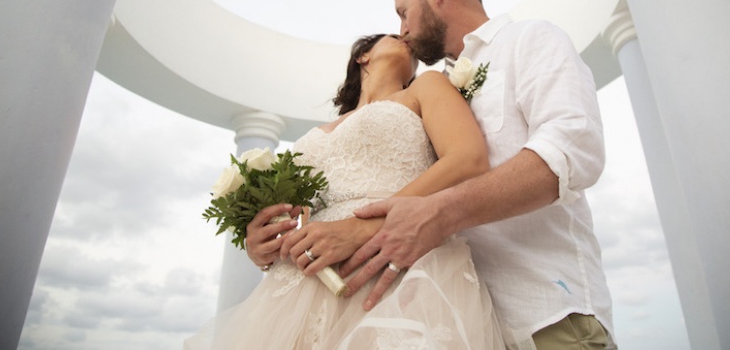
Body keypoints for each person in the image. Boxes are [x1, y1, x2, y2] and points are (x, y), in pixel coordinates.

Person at [331, 0, 617, 348]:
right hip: (450, 323)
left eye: (403, 12)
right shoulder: (432, 91)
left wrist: (440, 213)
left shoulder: (530, 39)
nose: (402, 30)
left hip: (543, 317)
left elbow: (574, 146)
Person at [186, 33, 530, 349]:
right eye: (395, 36)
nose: (407, 38)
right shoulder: (318, 131)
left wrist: (368, 224)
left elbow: (468, 159)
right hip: (302, 283)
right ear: (363, 56)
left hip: (393, 262)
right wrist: (262, 243)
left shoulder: (425, 87)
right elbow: (296, 213)